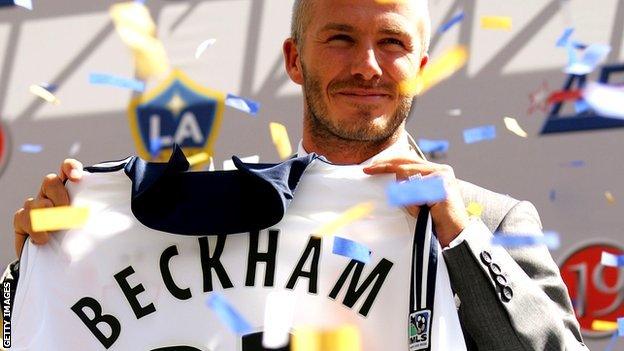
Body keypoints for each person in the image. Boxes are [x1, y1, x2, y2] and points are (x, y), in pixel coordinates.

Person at [9, 0, 586, 349]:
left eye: (392, 43)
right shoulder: (218, 214)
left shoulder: (489, 218)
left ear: (421, 70)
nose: (367, 66)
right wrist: (52, 262)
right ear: (293, 59)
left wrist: (460, 238)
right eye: (340, 39)